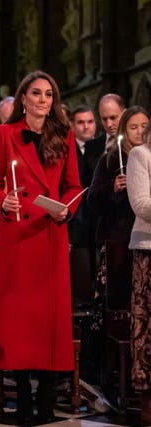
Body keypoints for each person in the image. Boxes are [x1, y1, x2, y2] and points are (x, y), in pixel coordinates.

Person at [0, 70, 83, 424]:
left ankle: (47, 400)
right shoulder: (6, 135)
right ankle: (22, 398)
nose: (43, 100)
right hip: (18, 236)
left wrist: (67, 208)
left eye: (49, 95)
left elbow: (72, 185)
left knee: (49, 320)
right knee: (18, 320)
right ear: (23, 98)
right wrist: (2, 201)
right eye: (36, 93)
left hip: (51, 235)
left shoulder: (64, 135)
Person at [88, 106, 149, 374]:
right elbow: (93, 201)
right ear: (125, 130)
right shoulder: (112, 159)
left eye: (144, 126)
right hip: (117, 239)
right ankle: (110, 368)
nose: (139, 132)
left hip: (141, 239)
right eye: (133, 127)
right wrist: (112, 189)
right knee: (115, 308)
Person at [125, 124, 151, 425]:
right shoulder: (141, 155)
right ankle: (147, 398)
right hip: (148, 250)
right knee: (147, 329)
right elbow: (142, 205)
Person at [68, 105, 103, 308]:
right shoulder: (69, 149)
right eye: (80, 122)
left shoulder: (102, 148)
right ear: (73, 125)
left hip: (97, 223)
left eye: (90, 122)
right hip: (77, 224)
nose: (86, 127)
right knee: (80, 280)